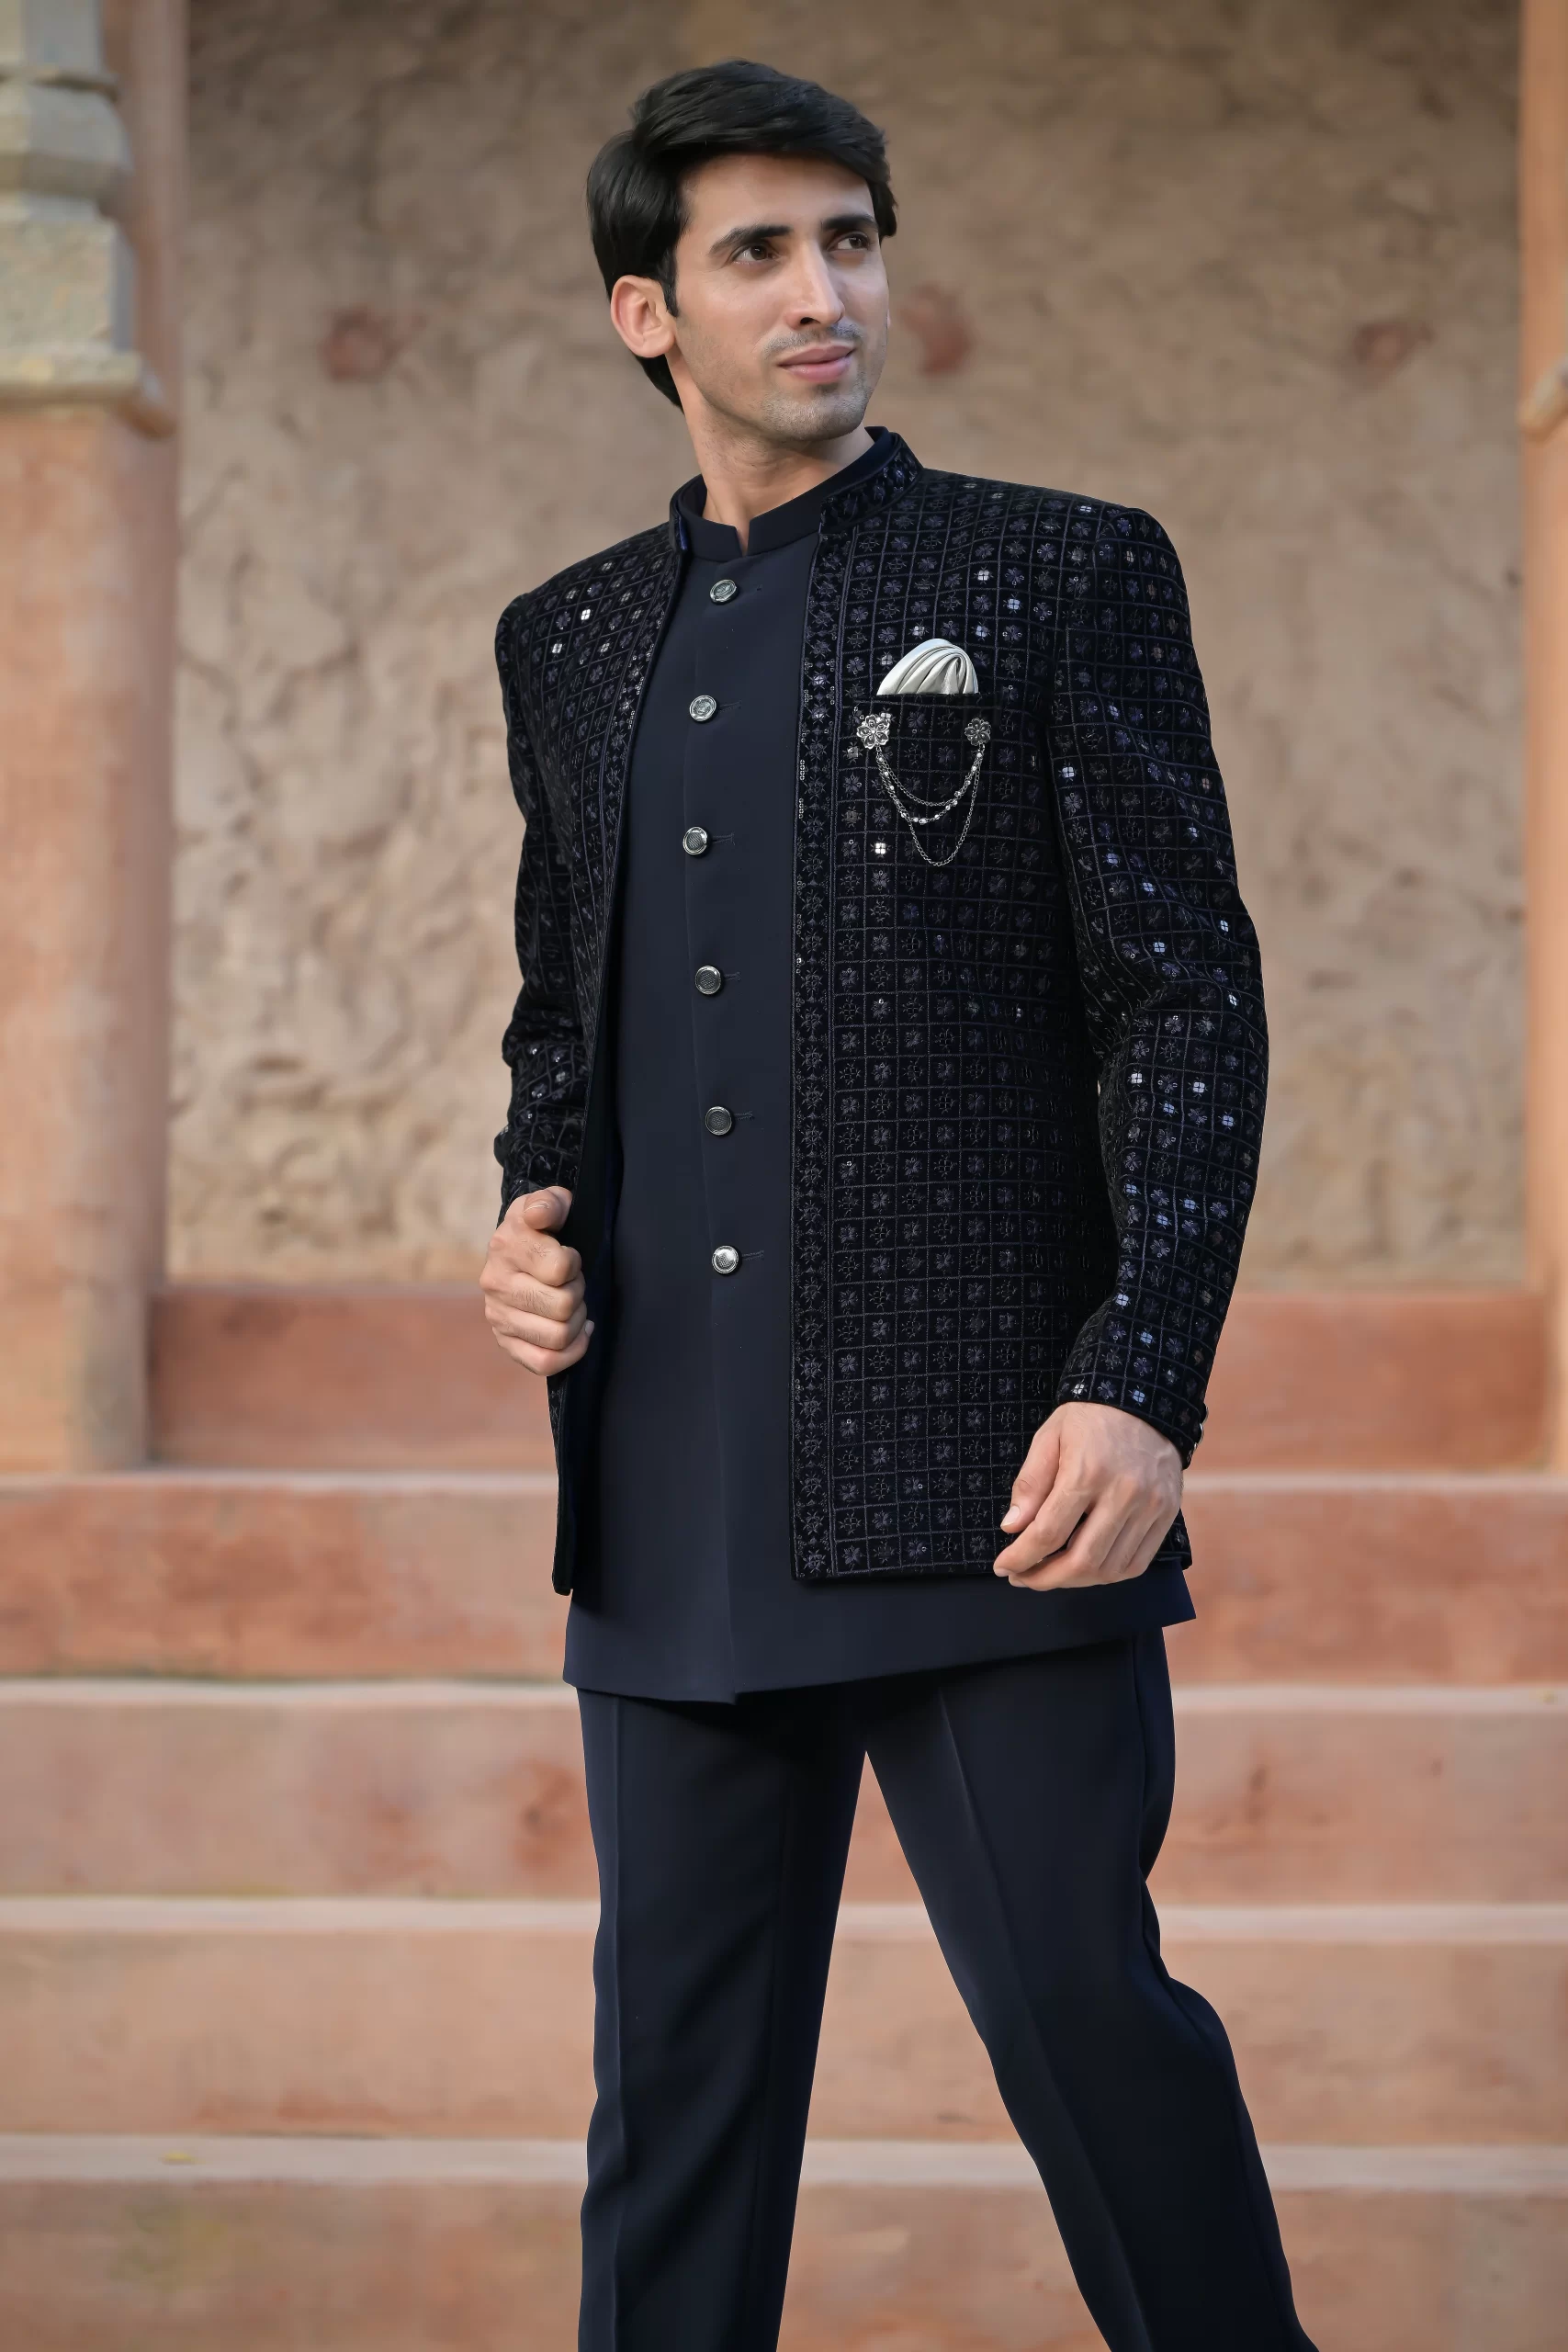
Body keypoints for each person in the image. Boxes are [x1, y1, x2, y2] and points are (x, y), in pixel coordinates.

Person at [479, 58, 1312, 2352]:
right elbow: (561, 1019)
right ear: (646, 309)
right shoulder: (565, 640)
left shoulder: (1059, 571)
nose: (821, 292)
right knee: (672, 2109)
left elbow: (1184, 998)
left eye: (849, 240)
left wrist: (1142, 1382)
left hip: (995, 1473)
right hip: (668, 1488)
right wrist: (530, 1213)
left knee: (1087, 2027)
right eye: (756, 252)